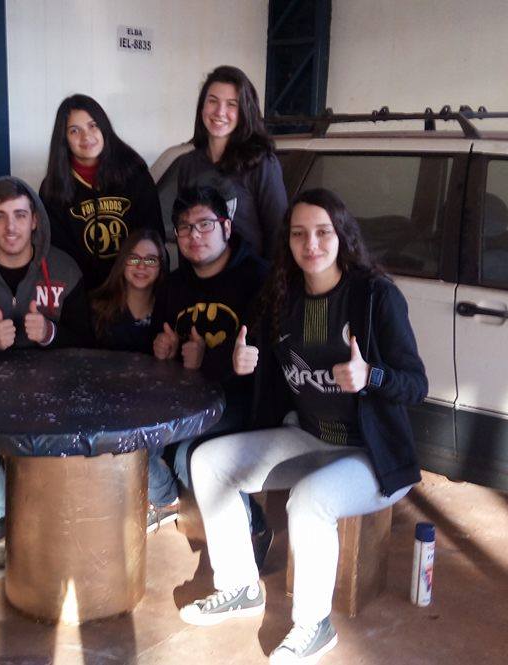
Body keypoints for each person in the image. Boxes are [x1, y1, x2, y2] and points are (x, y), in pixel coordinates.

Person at [178, 189, 428, 665]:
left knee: (311, 499)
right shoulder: (281, 295)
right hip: (309, 436)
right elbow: (248, 353)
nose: (310, 244)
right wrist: (238, 361)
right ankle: (239, 586)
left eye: (322, 232)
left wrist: (371, 376)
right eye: (298, 234)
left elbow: (416, 385)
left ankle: (314, 625)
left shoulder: (375, 296)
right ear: (287, 241)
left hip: (372, 455)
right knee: (207, 461)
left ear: (342, 235)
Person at [0, 175, 92, 562]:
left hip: (53, 385)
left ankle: (47, 511)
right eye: (0, 216)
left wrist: (51, 333)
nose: (11, 227)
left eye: (20, 215)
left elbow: (89, 342)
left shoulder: (64, 268)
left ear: (35, 220)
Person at [152, 185, 270, 558]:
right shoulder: (173, 285)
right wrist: (163, 350)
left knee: (189, 455)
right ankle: (168, 502)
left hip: (243, 402)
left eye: (205, 224)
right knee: (138, 442)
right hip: (186, 401)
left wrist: (208, 361)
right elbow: (163, 342)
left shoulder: (258, 279)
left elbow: (265, 358)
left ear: (226, 227)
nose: (195, 235)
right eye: (184, 228)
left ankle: (251, 529)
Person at [88, 228, 179, 530]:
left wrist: (169, 353)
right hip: (107, 403)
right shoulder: (98, 306)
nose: (141, 266)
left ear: (161, 266)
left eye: (151, 260)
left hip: (154, 405)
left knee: (141, 447)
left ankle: (166, 500)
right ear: (122, 262)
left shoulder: (170, 309)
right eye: (134, 258)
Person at [157, 65, 287, 258]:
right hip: (198, 275)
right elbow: (184, 227)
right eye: (213, 101)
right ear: (202, 106)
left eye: (232, 104)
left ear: (245, 111)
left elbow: (278, 236)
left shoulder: (262, 164)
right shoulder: (188, 164)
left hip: (249, 275)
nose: (220, 112)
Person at [40, 94, 164, 291]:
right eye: (74, 130)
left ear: (104, 127)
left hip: (134, 288)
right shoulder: (52, 188)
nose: (86, 137)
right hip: (80, 291)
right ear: (64, 139)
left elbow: (153, 237)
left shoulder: (135, 174)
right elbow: (59, 255)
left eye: (93, 125)